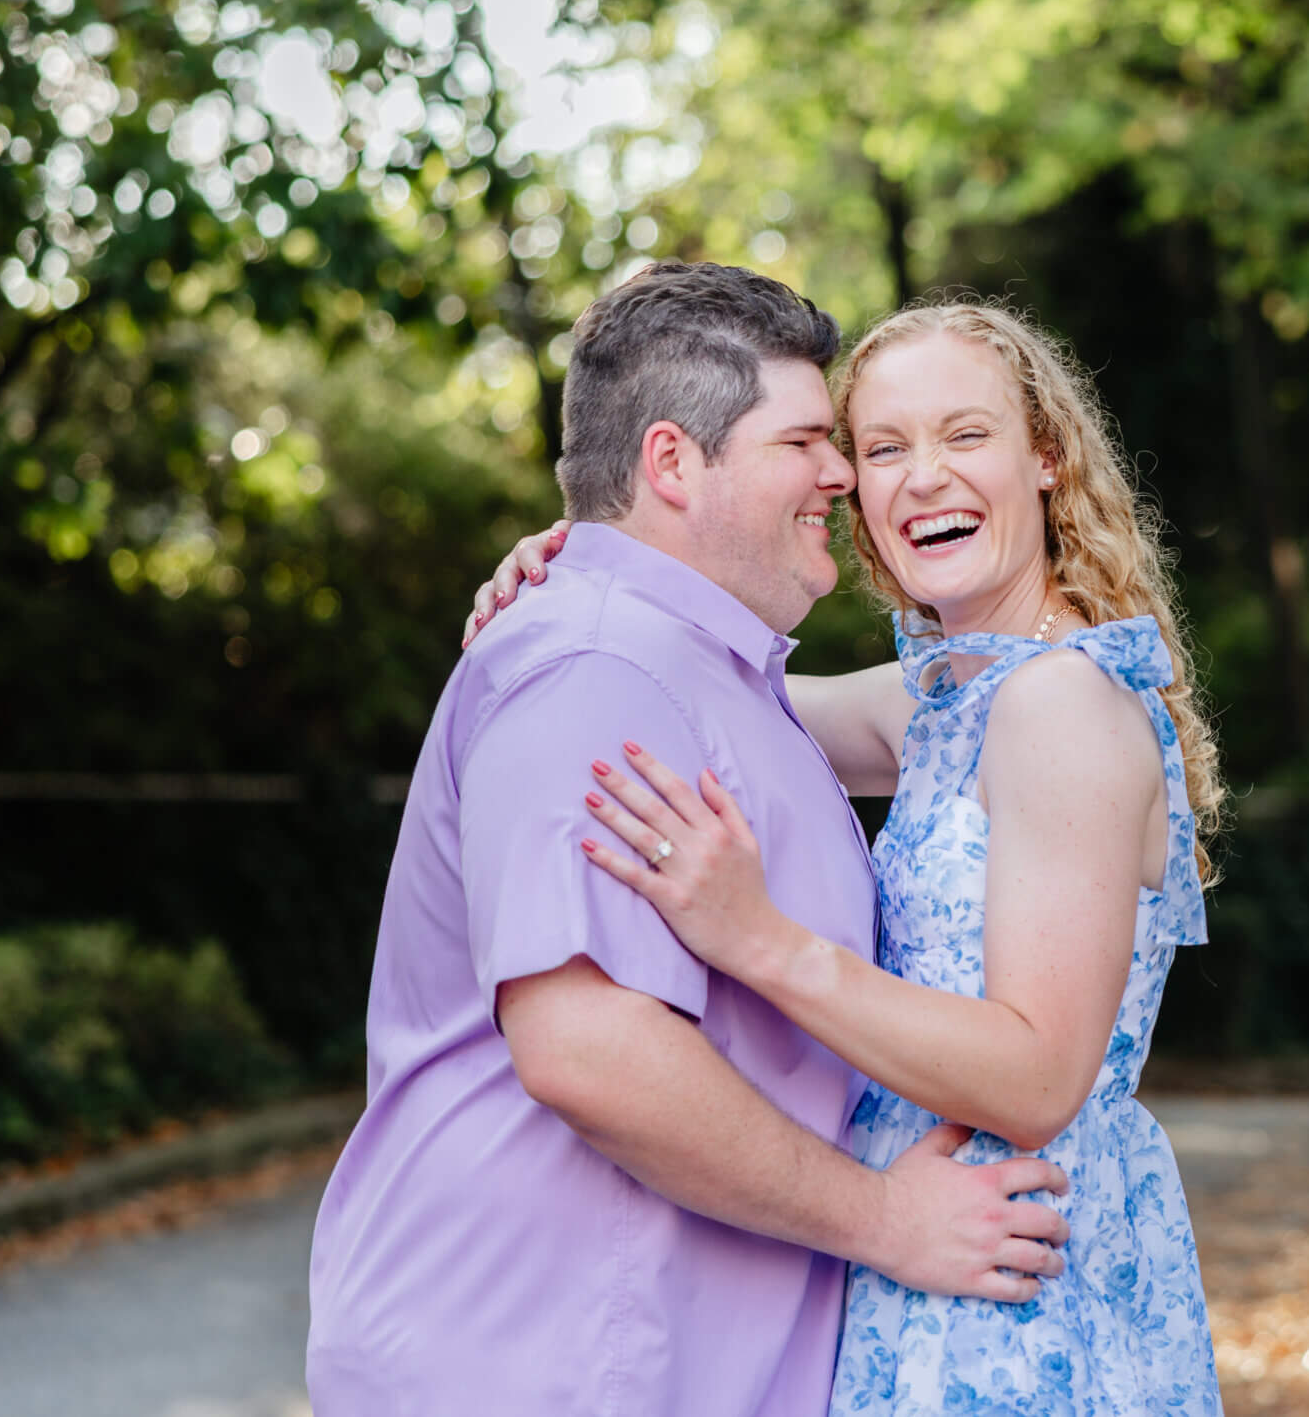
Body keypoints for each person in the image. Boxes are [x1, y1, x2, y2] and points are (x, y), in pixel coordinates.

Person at [309, 265, 1072, 1417]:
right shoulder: (596, 669)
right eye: (807, 441)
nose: (840, 475)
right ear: (672, 463)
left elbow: (1017, 701)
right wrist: (884, 1220)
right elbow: (589, 1051)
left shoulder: (711, 678)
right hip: (545, 1366)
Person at [469, 300, 1225, 1415]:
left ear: (1048, 459)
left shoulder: (1061, 702)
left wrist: (761, 942)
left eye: (965, 436)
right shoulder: (954, 696)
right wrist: (593, 569)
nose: (923, 477)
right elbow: (718, 700)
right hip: (928, 1257)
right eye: (882, 448)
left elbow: (1036, 1078)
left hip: (1012, 1277)